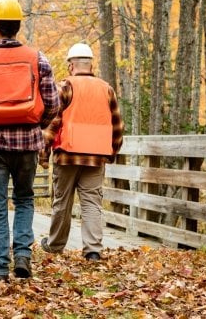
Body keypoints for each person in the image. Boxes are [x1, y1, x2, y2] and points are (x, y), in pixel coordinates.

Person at [0, 0, 59, 287]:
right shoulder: (37, 58)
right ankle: (22, 256)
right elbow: (53, 103)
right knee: (25, 199)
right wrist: (36, 125)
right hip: (28, 143)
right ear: (18, 27)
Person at [40, 42, 124, 261]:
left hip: (67, 154)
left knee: (62, 201)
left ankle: (56, 245)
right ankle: (93, 250)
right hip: (96, 157)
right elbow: (117, 125)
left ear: (71, 65)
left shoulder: (65, 86)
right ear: (90, 64)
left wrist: (43, 154)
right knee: (92, 203)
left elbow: (53, 122)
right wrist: (112, 152)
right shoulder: (106, 89)